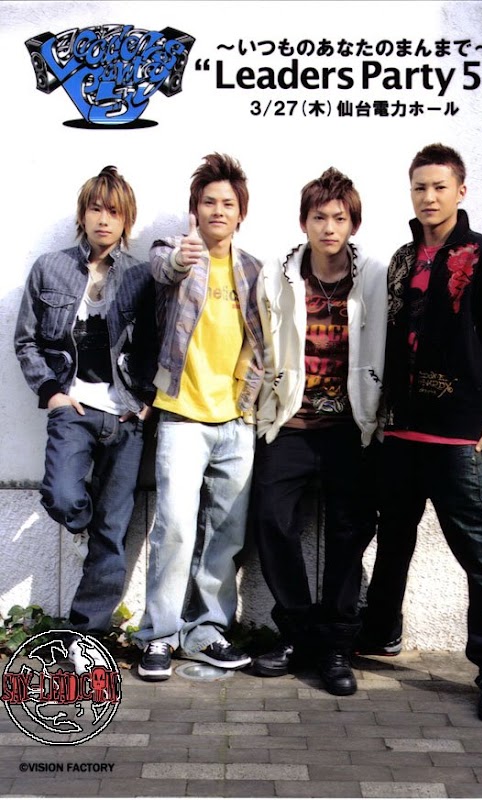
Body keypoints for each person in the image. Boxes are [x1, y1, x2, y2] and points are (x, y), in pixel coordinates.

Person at [356, 143, 482, 722]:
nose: (429, 197)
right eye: (419, 187)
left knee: (479, 551)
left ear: (461, 191)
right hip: (401, 432)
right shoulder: (403, 259)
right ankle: (381, 632)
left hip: (457, 437)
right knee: (392, 541)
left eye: (439, 187)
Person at [14, 166, 157, 670]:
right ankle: (84, 526)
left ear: (126, 220)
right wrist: (52, 393)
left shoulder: (141, 276)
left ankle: (86, 636)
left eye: (114, 212)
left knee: (112, 533)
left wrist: (148, 400)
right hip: (72, 410)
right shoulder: (50, 268)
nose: (104, 219)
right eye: (96, 208)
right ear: (83, 213)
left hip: (125, 415)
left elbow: (160, 343)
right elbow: (26, 340)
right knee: (62, 495)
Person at [251, 167, 387, 696]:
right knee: (271, 517)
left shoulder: (374, 277)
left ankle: (335, 646)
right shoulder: (277, 276)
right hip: (291, 421)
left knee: (350, 532)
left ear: (353, 224)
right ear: (303, 222)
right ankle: (299, 631)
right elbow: (259, 344)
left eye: (339, 218)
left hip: (352, 428)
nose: (329, 227)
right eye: (319, 217)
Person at [134, 153, 264, 681]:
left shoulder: (253, 270)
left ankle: (207, 631)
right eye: (209, 202)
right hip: (182, 417)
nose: (218, 210)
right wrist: (181, 258)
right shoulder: (175, 251)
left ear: (240, 213)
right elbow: (163, 268)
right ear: (195, 209)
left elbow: (262, 342)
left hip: (236, 420)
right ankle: (159, 636)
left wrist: (252, 403)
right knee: (174, 529)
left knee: (226, 535)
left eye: (227, 203)